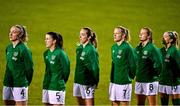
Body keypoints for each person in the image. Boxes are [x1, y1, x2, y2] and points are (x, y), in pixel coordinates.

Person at [3, 25, 34, 106]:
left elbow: (29, 69)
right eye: (10, 32)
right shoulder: (8, 48)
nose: (10, 34)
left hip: (20, 83)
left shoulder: (24, 49)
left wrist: (26, 82)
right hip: (8, 82)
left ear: (20, 35)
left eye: (14, 32)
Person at [109, 26, 136, 106]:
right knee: (114, 103)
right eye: (114, 33)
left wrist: (129, 77)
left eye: (117, 33)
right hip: (114, 81)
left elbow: (133, 65)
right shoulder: (113, 47)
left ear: (123, 35)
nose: (114, 35)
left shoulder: (128, 48)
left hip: (124, 82)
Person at [135, 27, 162, 106]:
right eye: (140, 33)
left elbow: (159, 64)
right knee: (140, 104)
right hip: (139, 80)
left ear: (149, 36)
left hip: (150, 81)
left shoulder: (153, 48)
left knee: (152, 104)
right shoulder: (138, 48)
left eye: (143, 33)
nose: (140, 35)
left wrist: (154, 75)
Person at [42, 32, 70, 106]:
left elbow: (66, 71)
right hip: (46, 85)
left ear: (54, 41)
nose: (45, 40)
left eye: (47, 39)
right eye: (45, 39)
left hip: (57, 86)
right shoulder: (46, 53)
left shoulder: (61, 53)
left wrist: (60, 81)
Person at [73, 27, 99, 105]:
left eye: (83, 34)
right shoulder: (79, 48)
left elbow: (95, 67)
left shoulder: (91, 50)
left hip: (87, 82)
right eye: (80, 34)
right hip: (78, 80)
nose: (80, 36)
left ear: (89, 37)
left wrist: (96, 81)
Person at [159, 31, 180, 105]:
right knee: (164, 103)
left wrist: (176, 77)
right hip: (162, 80)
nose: (163, 38)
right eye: (163, 36)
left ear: (171, 40)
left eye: (165, 37)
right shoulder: (161, 50)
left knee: (176, 103)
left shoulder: (174, 51)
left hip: (173, 81)